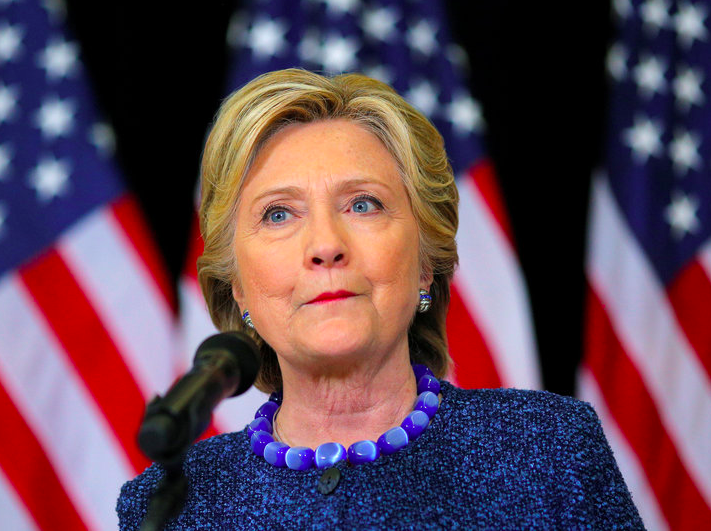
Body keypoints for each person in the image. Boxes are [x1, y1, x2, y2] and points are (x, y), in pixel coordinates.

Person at [117, 68, 644, 529]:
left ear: (425, 262)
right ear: (237, 283)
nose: (325, 246)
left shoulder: (547, 450)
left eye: (363, 204)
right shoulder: (170, 506)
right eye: (278, 214)